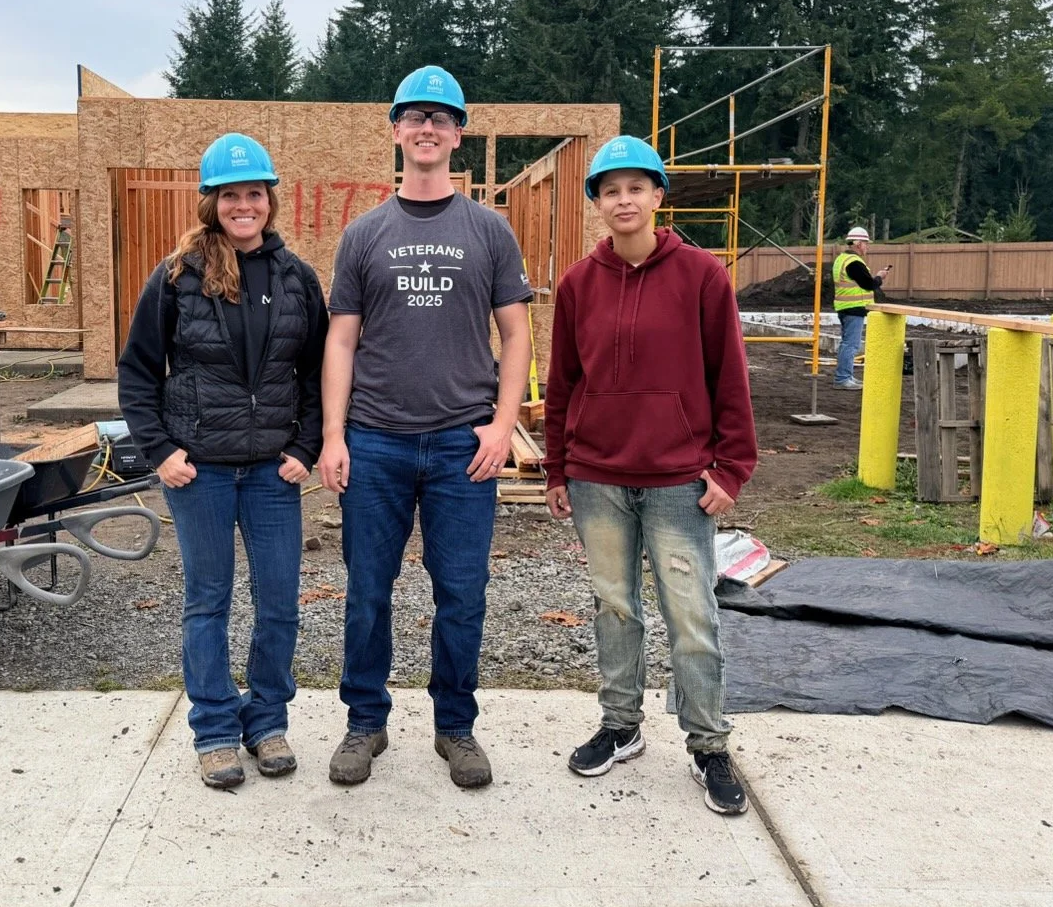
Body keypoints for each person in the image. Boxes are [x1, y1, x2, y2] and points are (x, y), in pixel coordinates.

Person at [317, 65, 533, 790]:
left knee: (462, 592)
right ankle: (364, 722)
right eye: (415, 116)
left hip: (461, 446)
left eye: (442, 117)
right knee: (367, 591)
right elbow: (340, 340)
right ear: (397, 131)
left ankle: (456, 728)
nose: (428, 128)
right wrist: (334, 435)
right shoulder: (364, 234)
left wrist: (503, 425)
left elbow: (518, 336)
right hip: (375, 441)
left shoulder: (489, 230)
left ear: (458, 133)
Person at [543, 135, 758, 815]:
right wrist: (557, 466)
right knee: (614, 606)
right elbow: (563, 382)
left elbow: (729, 375)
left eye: (636, 187)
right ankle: (621, 725)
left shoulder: (701, 276)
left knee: (691, 615)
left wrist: (732, 466)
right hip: (598, 478)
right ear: (598, 205)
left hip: (677, 481)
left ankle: (708, 743)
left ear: (658, 197)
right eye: (610, 190)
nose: (624, 200)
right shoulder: (579, 284)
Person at [118, 132, 328, 790]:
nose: (245, 205)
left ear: (269, 200)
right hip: (199, 472)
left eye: (255, 194)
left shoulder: (296, 278)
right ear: (213, 202)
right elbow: (139, 371)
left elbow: (321, 372)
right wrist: (162, 451)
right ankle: (214, 730)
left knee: (280, 603)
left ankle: (265, 722)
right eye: (231, 194)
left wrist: (305, 448)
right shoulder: (177, 275)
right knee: (207, 601)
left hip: (271, 473)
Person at [832, 226, 892, 390]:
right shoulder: (854, 263)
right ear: (858, 244)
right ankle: (843, 378)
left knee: (848, 343)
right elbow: (868, 284)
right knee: (851, 344)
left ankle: (846, 376)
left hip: (846, 307)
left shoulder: (842, 259)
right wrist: (880, 277)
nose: (867, 247)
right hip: (853, 308)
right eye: (866, 243)